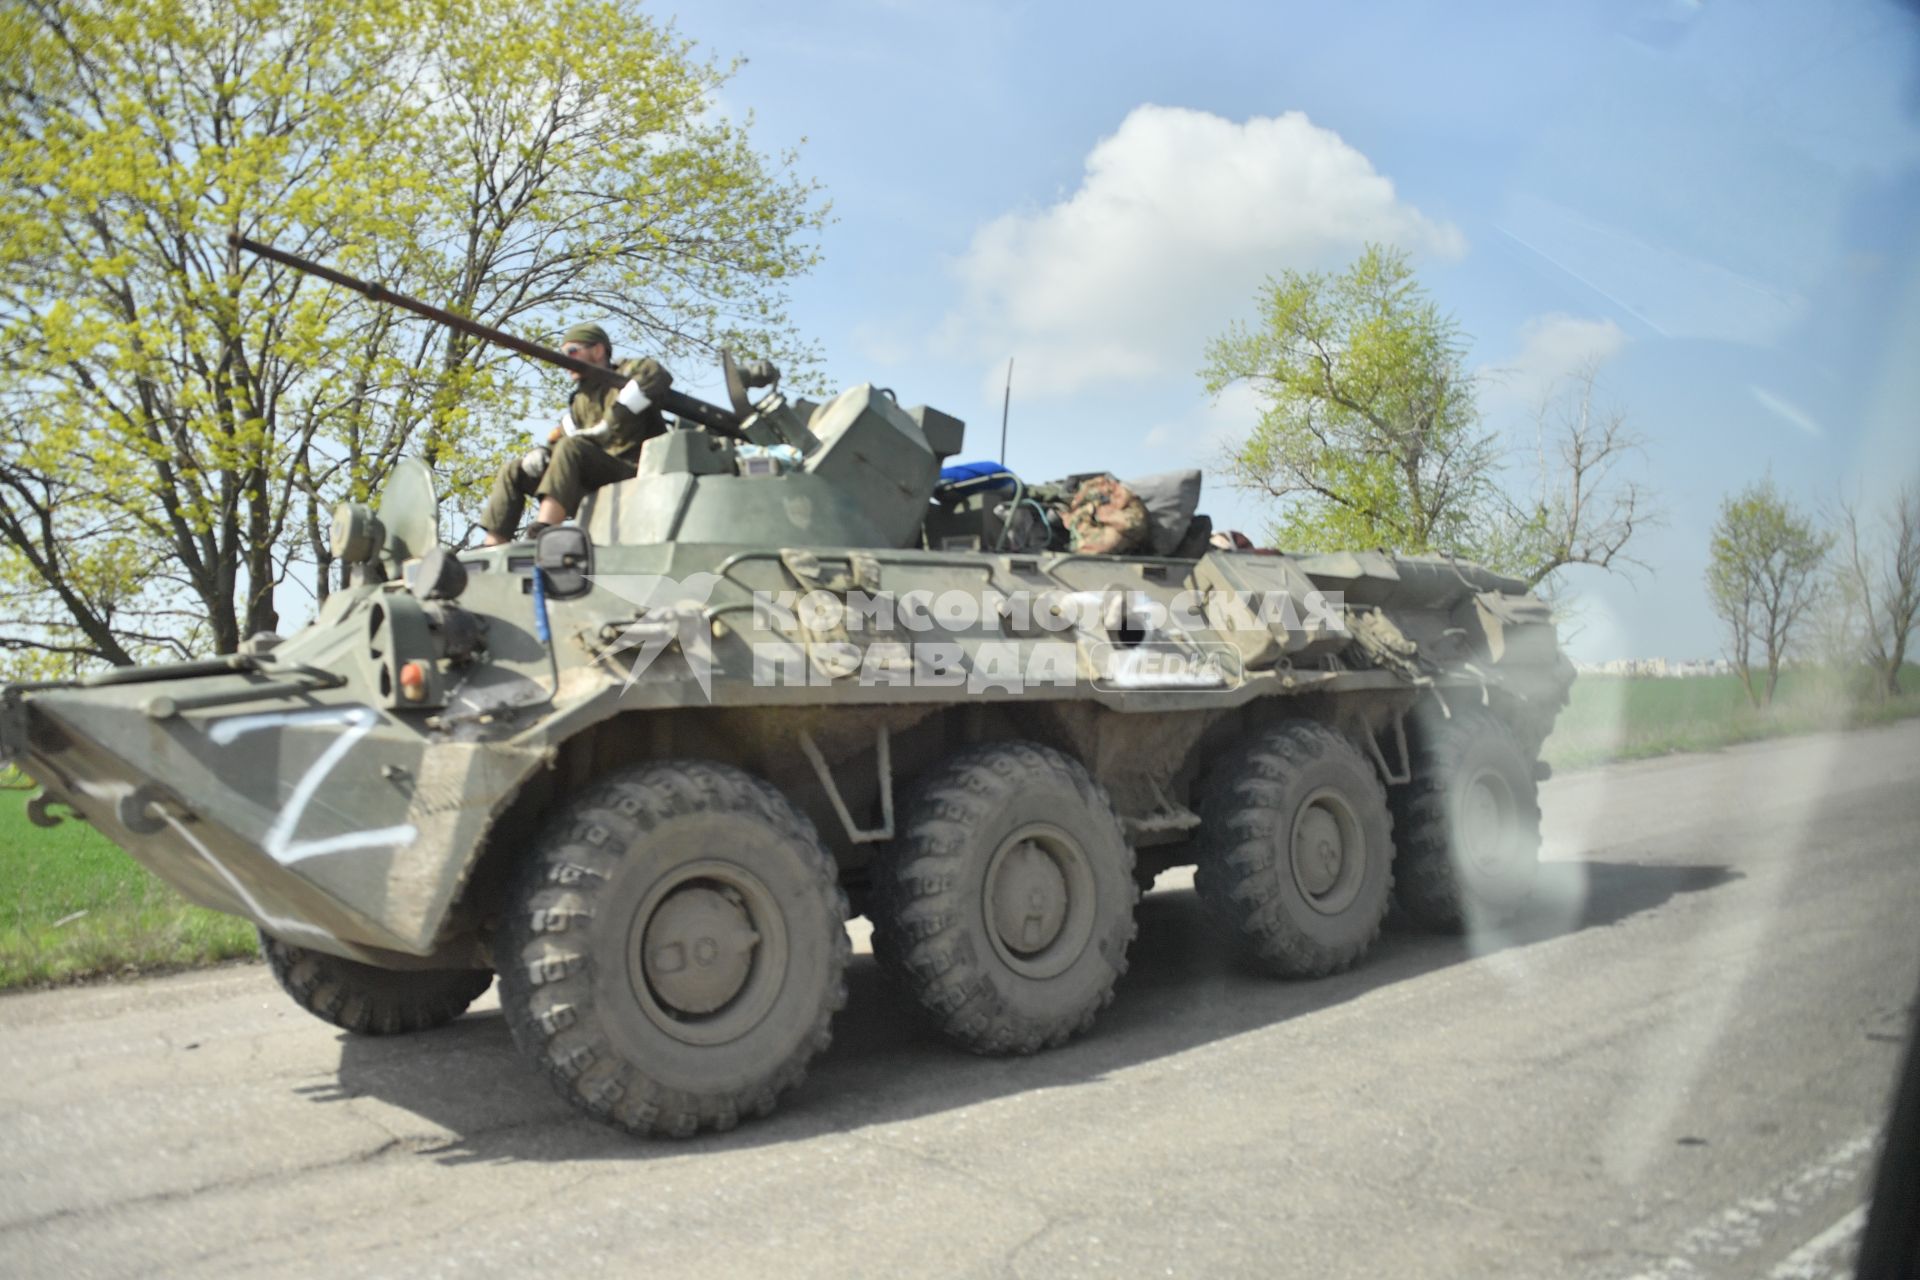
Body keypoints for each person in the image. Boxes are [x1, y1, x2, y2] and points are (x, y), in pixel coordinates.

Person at [480, 323, 674, 545]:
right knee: (514, 469)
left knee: (571, 447)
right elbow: (560, 442)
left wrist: (612, 421)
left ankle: (545, 531)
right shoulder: (580, 401)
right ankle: (493, 546)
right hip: (592, 477)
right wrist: (542, 452)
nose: (566, 361)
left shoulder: (626, 372)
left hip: (633, 471)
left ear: (598, 350)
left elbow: (656, 374)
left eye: (572, 351)